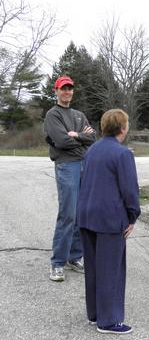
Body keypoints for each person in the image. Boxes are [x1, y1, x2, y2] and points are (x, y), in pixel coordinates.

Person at [77, 109, 140, 335]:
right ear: (123, 128)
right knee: (111, 269)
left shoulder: (91, 150)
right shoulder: (123, 154)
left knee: (94, 267)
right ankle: (109, 320)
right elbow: (129, 190)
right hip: (109, 218)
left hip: (86, 214)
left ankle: (95, 313)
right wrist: (133, 216)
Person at [43, 76, 96, 282]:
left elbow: (92, 138)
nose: (67, 92)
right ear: (56, 91)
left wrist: (78, 136)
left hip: (85, 165)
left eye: (70, 89)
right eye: (63, 88)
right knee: (68, 214)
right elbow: (62, 142)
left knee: (81, 213)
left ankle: (75, 257)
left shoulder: (79, 115)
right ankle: (57, 263)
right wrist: (77, 138)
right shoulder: (53, 115)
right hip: (67, 166)